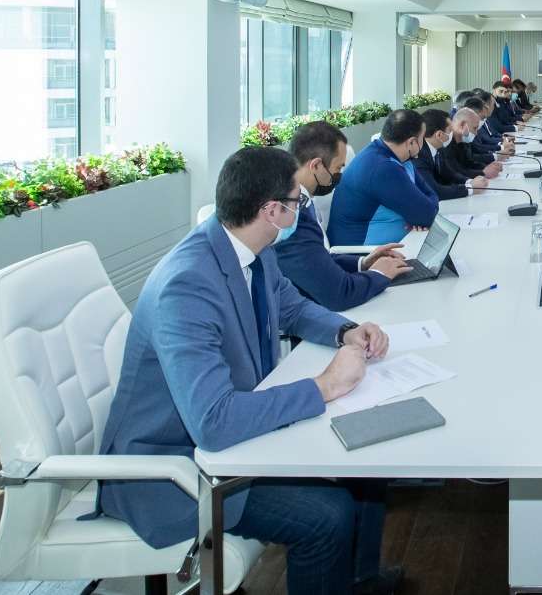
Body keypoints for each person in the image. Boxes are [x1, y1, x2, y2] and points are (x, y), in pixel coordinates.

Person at [98, 146, 401, 595]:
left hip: (230, 440)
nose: (302, 210)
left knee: (363, 474)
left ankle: (357, 582)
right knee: (328, 515)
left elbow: (291, 306)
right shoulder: (187, 285)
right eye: (297, 201)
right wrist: (325, 385)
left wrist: (346, 332)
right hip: (173, 470)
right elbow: (213, 423)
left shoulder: (249, 248)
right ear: (272, 211)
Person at [276, 122, 412, 311]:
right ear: (316, 165)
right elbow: (339, 294)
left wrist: (363, 263)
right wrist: (379, 273)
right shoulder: (291, 216)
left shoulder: (300, 199)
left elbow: (317, 259)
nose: (339, 175)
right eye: (338, 168)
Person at [326, 109, 439, 246]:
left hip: (390, 245)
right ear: (411, 142)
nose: (423, 144)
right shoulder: (383, 168)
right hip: (361, 251)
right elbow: (427, 215)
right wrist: (420, 215)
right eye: (422, 139)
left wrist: (421, 214)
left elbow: (430, 196)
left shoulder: (394, 157)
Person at [415, 108, 490, 201]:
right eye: (450, 130)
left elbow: (448, 173)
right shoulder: (418, 155)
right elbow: (435, 191)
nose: (452, 132)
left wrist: (469, 181)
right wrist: (470, 189)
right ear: (439, 135)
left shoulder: (439, 147)